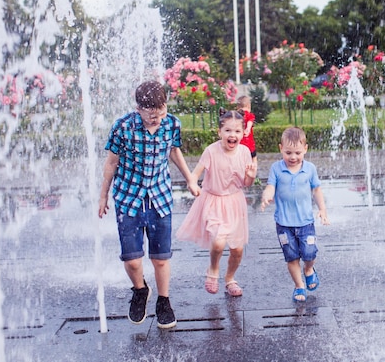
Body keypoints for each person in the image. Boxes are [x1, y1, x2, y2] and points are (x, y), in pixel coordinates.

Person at [98, 80, 198, 329]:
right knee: (132, 260)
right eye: (151, 115)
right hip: (128, 198)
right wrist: (102, 196)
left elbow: (174, 151)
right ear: (138, 108)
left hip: (160, 198)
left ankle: (164, 301)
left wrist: (190, 180)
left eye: (161, 113)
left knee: (161, 258)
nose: (157, 119)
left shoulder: (172, 124)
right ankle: (140, 290)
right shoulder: (123, 127)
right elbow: (111, 163)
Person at [176, 110, 257, 297]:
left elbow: (246, 183)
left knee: (237, 250)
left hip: (235, 203)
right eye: (228, 130)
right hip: (213, 201)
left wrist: (251, 177)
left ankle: (230, 278)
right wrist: (192, 183)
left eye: (237, 131)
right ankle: (213, 269)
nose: (232, 135)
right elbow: (196, 173)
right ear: (219, 131)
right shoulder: (211, 151)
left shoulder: (244, 152)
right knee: (219, 242)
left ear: (243, 132)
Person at [260, 127, 330, 302]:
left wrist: (322, 209)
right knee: (291, 256)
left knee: (309, 253)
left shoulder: (310, 169)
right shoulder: (276, 168)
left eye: (298, 152)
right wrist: (267, 194)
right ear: (280, 148)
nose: (293, 157)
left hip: (306, 221)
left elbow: (316, 189)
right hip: (284, 223)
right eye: (288, 152)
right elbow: (271, 186)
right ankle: (299, 286)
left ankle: (308, 270)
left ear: (305, 149)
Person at [237, 95, 257, 165]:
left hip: (240, 145)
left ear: (238, 107)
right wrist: (248, 128)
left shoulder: (237, 116)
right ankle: (254, 169)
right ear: (249, 106)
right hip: (250, 145)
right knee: (253, 158)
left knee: (241, 161)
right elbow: (250, 121)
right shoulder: (249, 114)